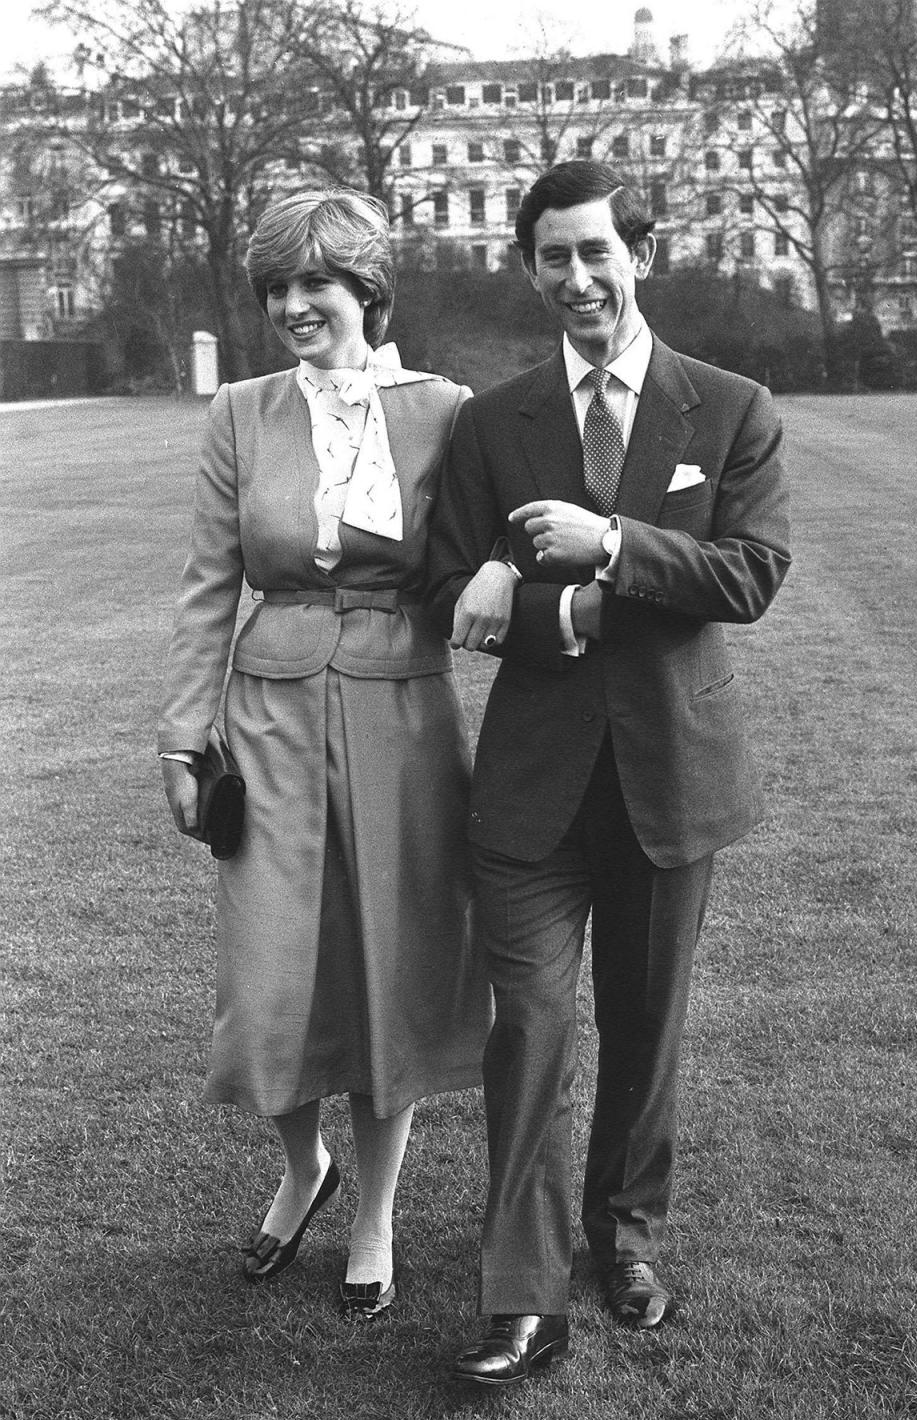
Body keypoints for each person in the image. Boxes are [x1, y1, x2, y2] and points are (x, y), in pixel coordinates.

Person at [427, 160, 791, 1385]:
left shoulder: (729, 407)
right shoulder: (496, 419)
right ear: (527, 267)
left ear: (643, 250)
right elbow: (445, 590)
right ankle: (520, 1299)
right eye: (552, 258)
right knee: (525, 1028)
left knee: (644, 1027)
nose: (576, 278)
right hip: (531, 787)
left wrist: (612, 548)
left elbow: (747, 577)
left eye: (596, 252)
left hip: (668, 779)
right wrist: (551, 606)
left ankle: (624, 1237)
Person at [158, 189, 497, 1319]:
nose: (295, 305)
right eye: (278, 287)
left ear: (367, 288)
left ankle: (376, 1212)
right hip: (265, 721)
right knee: (267, 977)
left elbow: (478, 562)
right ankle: (304, 1166)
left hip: (402, 716)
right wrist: (181, 732)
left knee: (388, 964)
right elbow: (212, 584)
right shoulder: (243, 412)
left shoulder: (445, 409)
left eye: (318, 283)